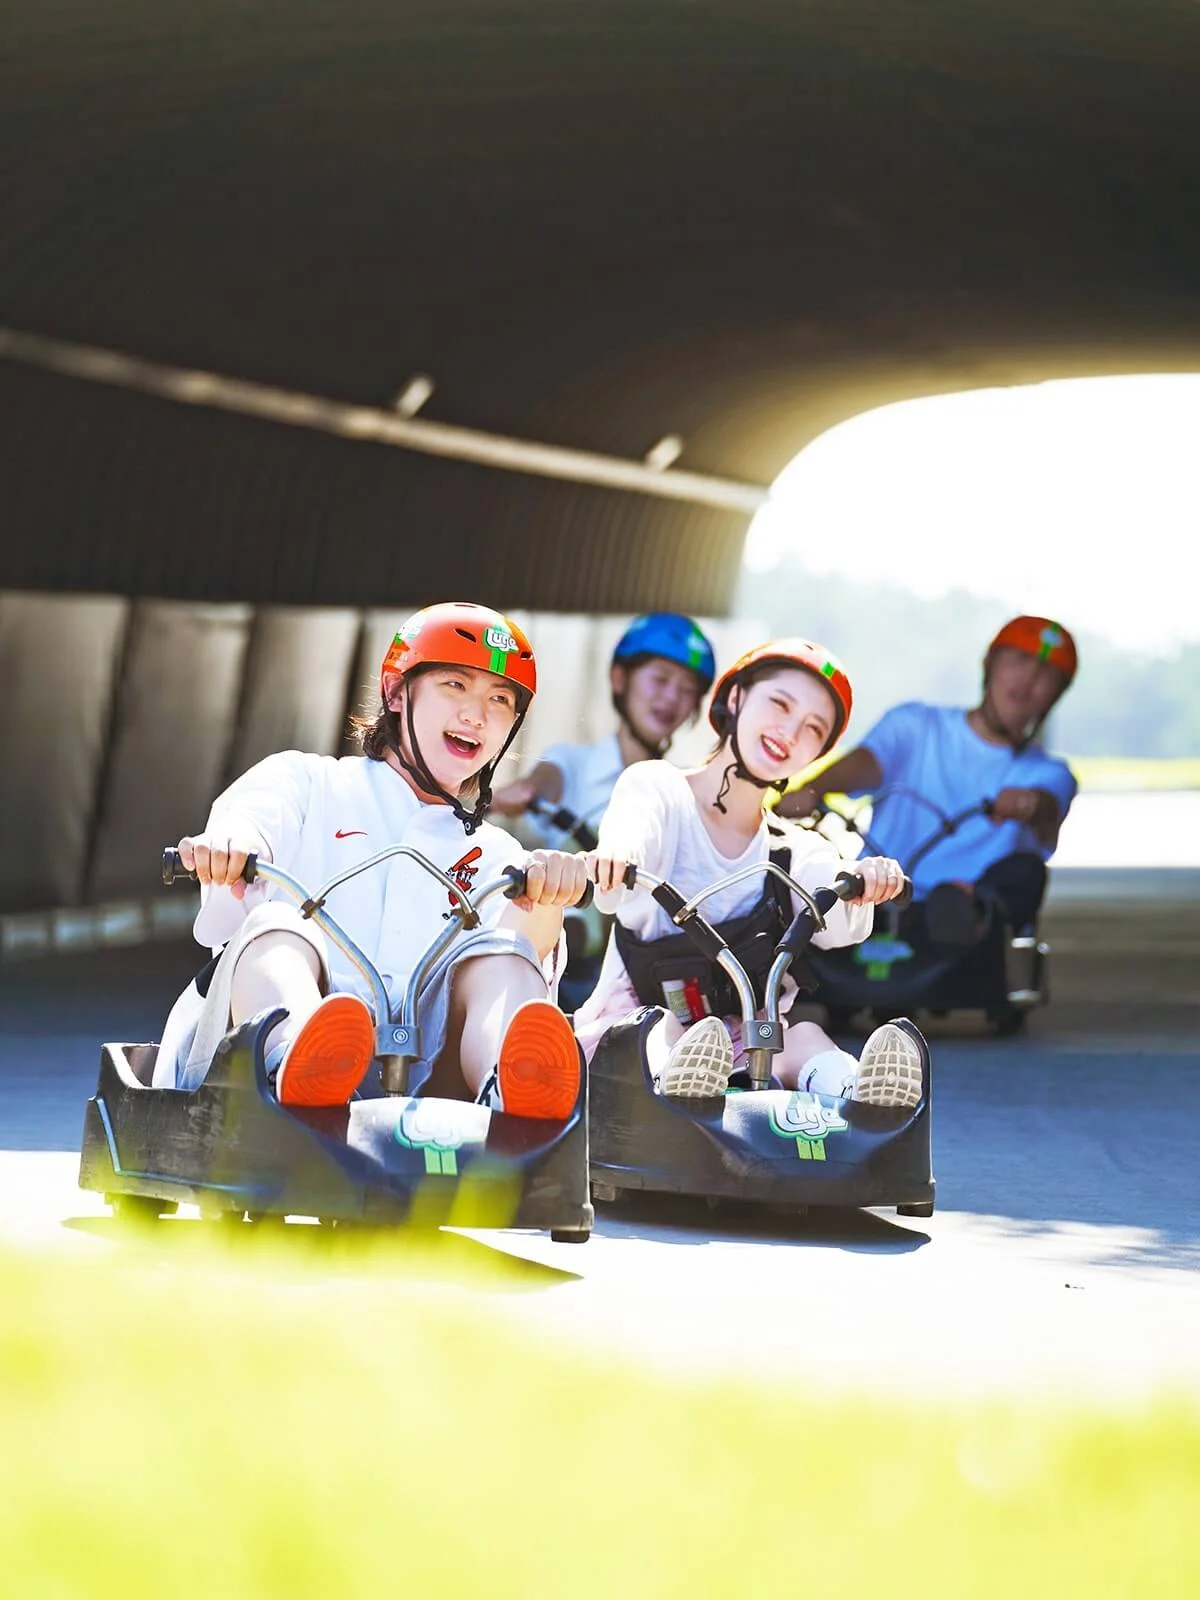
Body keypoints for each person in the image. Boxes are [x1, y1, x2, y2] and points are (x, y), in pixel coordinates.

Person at [151, 602, 589, 1117]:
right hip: (258, 1069)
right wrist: (229, 846)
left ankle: (512, 1092)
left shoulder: (502, 857)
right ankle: (298, 1059)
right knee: (278, 925)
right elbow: (248, 820)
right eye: (455, 686)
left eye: (499, 699)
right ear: (397, 692)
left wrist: (549, 894)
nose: (476, 715)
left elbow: (523, 953)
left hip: (432, 1086)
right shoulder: (308, 783)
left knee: (505, 958)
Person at [572, 638, 929, 1106]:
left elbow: (840, 921)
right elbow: (631, 834)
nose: (790, 731)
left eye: (812, 728)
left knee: (803, 1038)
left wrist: (864, 882)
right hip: (638, 1032)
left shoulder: (794, 850)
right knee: (664, 1030)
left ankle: (861, 1094)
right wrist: (616, 856)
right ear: (736, 698)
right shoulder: (658, 790)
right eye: (779, 704)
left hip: (748, 1051)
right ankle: (678, 1088)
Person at [777, 614, 1079, 941]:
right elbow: (869, 762)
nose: (1028, 679)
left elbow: (1046, 803)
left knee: (1027, 870)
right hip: (878, 898)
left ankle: (969, 908)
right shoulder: (917, 726)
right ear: (990, 664)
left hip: (961, 931)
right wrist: (816, 788)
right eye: (1020, 660)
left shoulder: (1050, 774)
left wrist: (1028, 802)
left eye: (1045, 674)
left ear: (1055, 695)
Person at [489, 611, 717, 849]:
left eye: (688, 689)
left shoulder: (683, 789)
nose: (672, 697)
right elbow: (543, 781)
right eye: (660, 679)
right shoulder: (572, 762)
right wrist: (525, 790)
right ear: (619, 678)